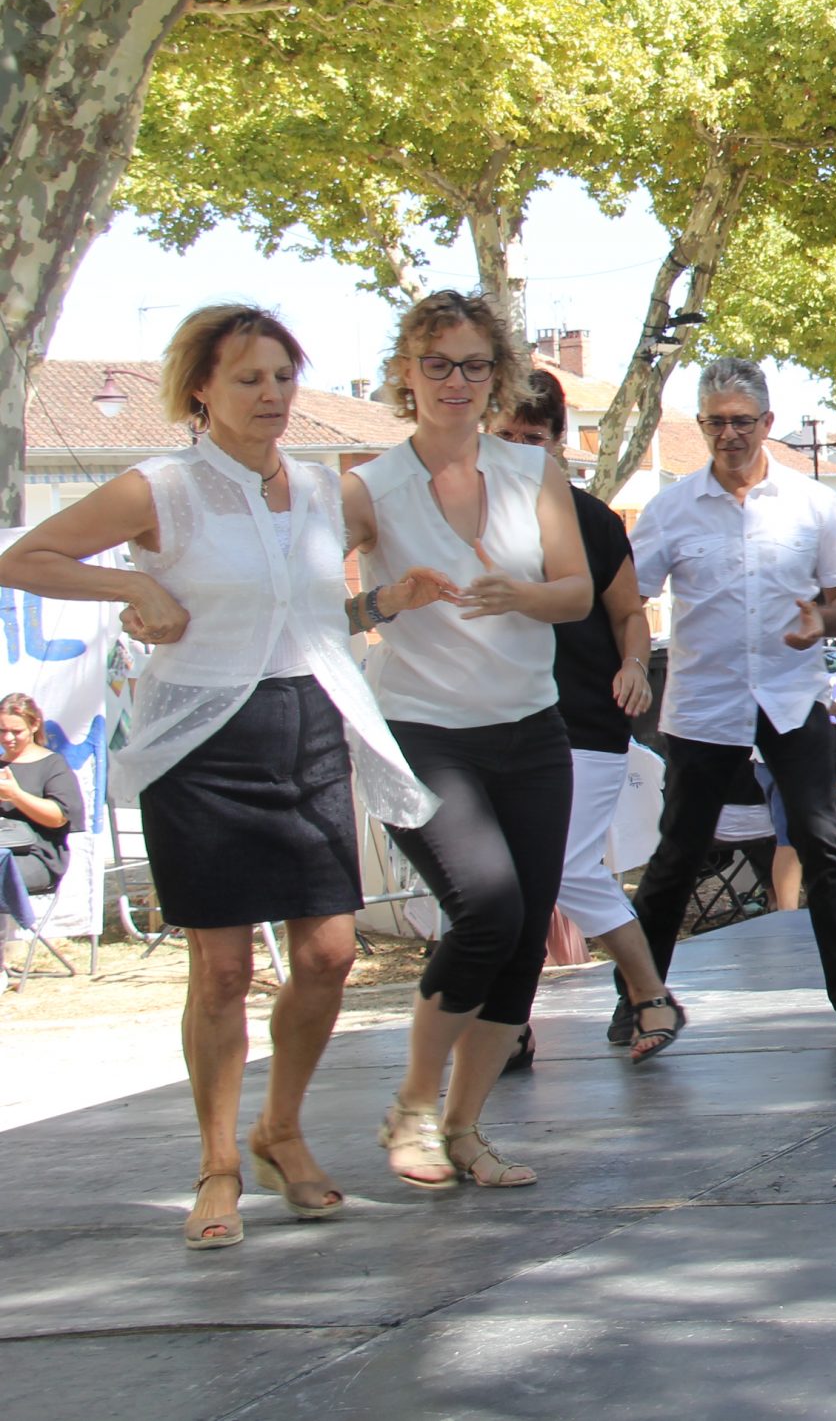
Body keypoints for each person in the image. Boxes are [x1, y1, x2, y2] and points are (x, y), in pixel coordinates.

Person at [0, 305, 440, 1247]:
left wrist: (381, 603)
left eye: (283, 375)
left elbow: (306, 615)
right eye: (249, 378)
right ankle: (217, 1165)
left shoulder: (322, 491)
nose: (272, 394)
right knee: (225, 968)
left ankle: (279, 1128)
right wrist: (132, 585)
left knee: (329, 954)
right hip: (203, 746)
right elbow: (24, 557)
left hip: (310, 730)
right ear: (200, 388)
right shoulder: (161, 486)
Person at [347, 291, 593, 1189]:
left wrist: (521, 595)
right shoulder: (368, 487)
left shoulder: (532, 472)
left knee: (525, 936)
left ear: (499, 375)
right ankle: (413, 1106)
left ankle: (464, 1128)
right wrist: (385, 600)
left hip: (530, 728)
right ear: (406, 374)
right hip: (424, 731)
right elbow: (314, 608)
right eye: (439, 364)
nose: (457, 381)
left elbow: (576, 592)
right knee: (487, 908)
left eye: (475, 365)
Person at [627, 357, 836, 1037]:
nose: (729, 434)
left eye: (741, 421)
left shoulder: (814, 504)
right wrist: (627, 660)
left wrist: (821, 621)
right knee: (679, 853)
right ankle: (636, 998)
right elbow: (628, 599)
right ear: (701, 425)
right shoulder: (669, 509)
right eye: (715, 422)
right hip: (704, 703)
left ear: (767, 422)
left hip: (790, 697)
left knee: (823, 839)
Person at [490, 371, 684, 1065]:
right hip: (491, 720)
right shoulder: (463, 515)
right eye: (505, 436)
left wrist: (632, 665)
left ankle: (649, 992)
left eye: (532, 438)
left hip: (583, 720)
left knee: (566, 864)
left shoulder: (593, 520)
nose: (518, 450)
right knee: (502, 882)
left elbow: (630, 613)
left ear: (558, 441)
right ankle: (506, 1023)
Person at [0, 694, 82, 903]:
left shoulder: (52, 765)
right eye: (2, 731)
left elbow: (58, 818)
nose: (7, 738)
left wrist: (15, 795)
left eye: (16, 731)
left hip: (35, 856)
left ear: (34, 725)